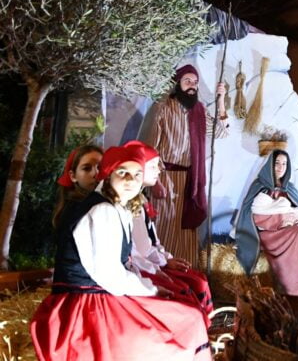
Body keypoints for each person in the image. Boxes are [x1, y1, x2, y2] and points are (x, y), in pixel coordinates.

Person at [31, 144, 211, 360]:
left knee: (184, 313)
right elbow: (110, 276)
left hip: (98, 294)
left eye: (137, 174)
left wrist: (150, 286)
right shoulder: (103, 211)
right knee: (186, 320)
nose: (130, 180)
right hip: (86, 304)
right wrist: (150, 289)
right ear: (107, 175)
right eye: (122, 172)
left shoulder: (116, 207)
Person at [145, 64, 229, 266]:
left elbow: (221, 133)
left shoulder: (199, 110)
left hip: (191, 182)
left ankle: (185, 278)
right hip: (165, 177)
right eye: (187, 81)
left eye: (195, 82)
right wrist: (155, 182)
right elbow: (151, 148)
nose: (192, 86)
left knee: (185, 231)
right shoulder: (163, 108)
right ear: (178, 84)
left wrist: (221, 101)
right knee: (163, 225)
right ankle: (161, 274)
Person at [124, 141, 213, 320]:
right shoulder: (127, 206)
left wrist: (167, 259)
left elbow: (153, 242)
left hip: (151, 262)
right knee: (188, 288)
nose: (159, 170)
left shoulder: (140, 200)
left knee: (199, 279)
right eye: (153, 166)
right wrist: (160, 266)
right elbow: (137, 250)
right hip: (140, 268)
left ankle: (204, 325)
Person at [234, 150, 298, 297]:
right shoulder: (259, 185)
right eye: (277, 163)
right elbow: (255, 216)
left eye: (284, 164)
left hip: (291, 229)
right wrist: (282, 219)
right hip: (271, 233)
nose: (280, 167)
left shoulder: (288, 187)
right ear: (270, 165)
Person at [51, 145, 103, 230]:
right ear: (73, 176)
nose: (96, 173)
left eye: (100, 167)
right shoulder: (76, 211)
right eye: (87, 168)